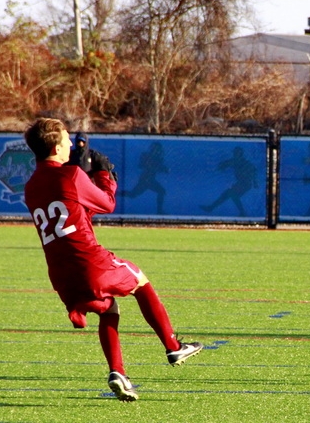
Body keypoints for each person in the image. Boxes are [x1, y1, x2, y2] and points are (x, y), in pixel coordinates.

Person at [23, 118, 202, 402]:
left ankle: (118, 372)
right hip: (90, 262)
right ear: (56, 146)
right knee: (140, 280)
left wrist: (82, 173)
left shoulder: (31, 185)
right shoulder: (70, 176)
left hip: (61, 275)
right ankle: (173, 346)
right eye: (67, 139)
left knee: (109, 309)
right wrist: (104, 175)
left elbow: (73, 212)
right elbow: (107, 203)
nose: (71, 143)